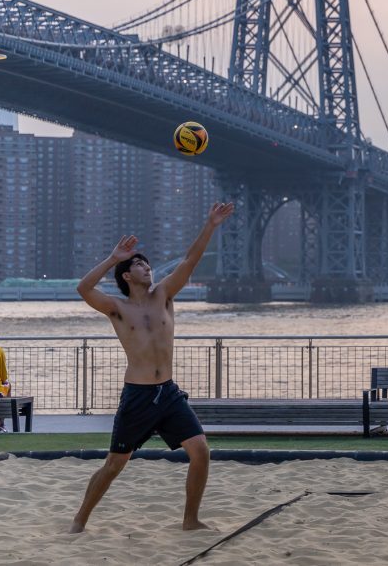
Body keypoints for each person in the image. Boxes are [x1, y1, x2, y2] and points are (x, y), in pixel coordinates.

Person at [69, 203, 235, 533]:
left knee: (200, 451)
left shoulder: (165, 296)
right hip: (137, 396)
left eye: (148, 264)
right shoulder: (117, 307)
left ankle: (190, 520)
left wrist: (211, 225)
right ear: (127, 276)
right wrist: (114, 258)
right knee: (115, 465)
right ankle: (79, 519)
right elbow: (84, 288)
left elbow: (190, 260)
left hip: (169, 393)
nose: (148, 268)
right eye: (140, 266)